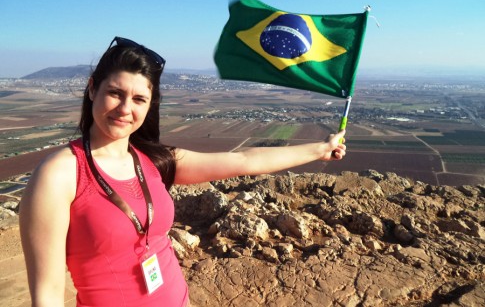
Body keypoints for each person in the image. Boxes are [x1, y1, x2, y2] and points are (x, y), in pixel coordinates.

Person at [19, 36, 346, 307]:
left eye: (139, 99)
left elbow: (244, 161)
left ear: (149, 106)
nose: (125, 109)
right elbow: (47, 295)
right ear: (93, 90)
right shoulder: (60, 174)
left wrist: (320, 149)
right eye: (115, 93)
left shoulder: (154, 161)